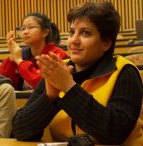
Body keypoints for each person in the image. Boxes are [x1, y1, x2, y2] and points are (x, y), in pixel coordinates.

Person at [12, 2, 143, 145]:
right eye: (71, 32)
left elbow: (115, 133)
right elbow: (20, 131)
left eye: (85, 33)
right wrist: (49, 97)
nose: (74, 40)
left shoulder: (124, 71)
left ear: (106, 43)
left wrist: (69, 88)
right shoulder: (58, 69)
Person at [0, 12, 68, 90]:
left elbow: (42, 85)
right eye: (23, 28)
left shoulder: (57, 55)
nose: (25, 32)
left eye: (31, 27)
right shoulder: (22, 53)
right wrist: (12, 58)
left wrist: (19, 61)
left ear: (45, 32)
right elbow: (3, 83)